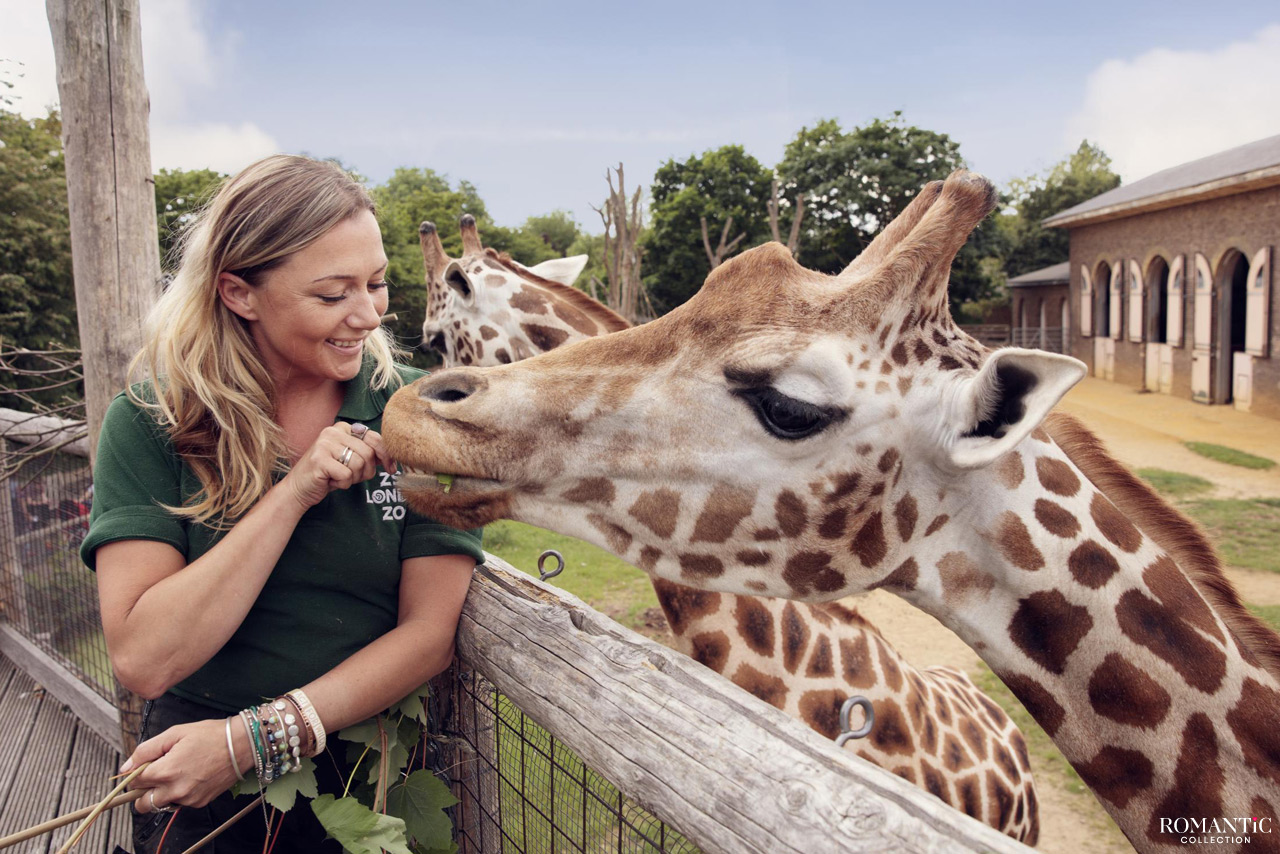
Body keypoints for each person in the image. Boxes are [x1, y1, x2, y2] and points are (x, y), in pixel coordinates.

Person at [79, 154, 484, 853]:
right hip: (195, 773)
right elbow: (145, 659)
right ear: (240, 293)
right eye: (332, 295)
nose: (368, 314)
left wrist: (254, 741)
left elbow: (429, 633)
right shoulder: (152, 419)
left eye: (378, 283)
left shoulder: (420, 412)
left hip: (369, 771)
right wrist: (294, 492)